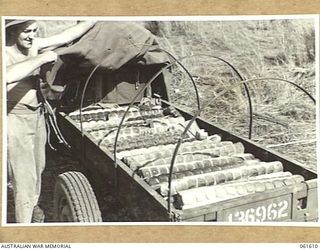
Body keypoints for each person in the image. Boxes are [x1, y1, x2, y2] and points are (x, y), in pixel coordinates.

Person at [5, 19, 96, 223]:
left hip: (36, 115)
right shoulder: (5, 52)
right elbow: (8, 76)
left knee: (38, 167)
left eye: (35, 31)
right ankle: (23, 228)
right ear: (11, 32)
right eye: (26, 31)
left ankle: (32, 207)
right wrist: (42, 58)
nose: (32, 36)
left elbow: (67, 35)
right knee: (23, 179)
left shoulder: (33, 44)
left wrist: (94, 18)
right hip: (14, 118)